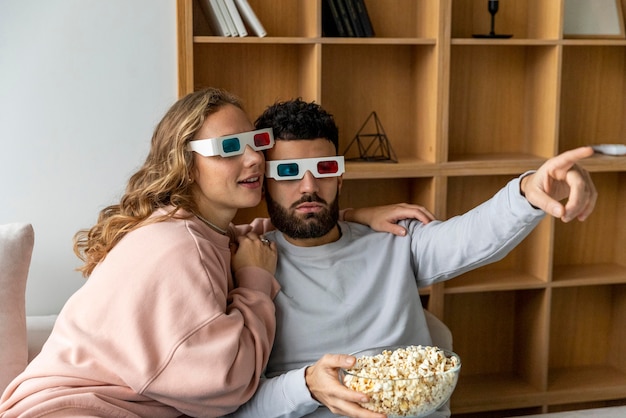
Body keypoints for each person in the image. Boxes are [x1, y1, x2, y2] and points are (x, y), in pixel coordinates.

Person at [228, 98, 597, 418]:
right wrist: (307, 385)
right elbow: (233, 402)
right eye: (288, 172)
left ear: (340, 178)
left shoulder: (393, 239)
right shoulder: (251, 263)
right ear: (264, 183)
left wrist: (528, 190)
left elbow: (471, 236)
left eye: (324, 169)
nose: (309, 186)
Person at [0, 88, 282, 417]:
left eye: (257, 141)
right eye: (230, 147)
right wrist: (254, 284)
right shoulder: (178, 247)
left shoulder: (194, 228)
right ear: (187, 165)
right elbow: (225, 384)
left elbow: (247, 237)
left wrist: (347, 219)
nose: (255, 159)